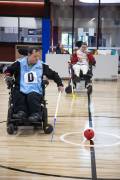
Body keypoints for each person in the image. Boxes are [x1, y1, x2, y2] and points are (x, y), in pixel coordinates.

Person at [5, 48, 64, 122]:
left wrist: (60, 84)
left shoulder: (42, 65)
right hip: (21, 87)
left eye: (38, 57)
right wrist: (8, 76)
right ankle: (21, 112)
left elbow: (54, 74)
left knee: (32, 96)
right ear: (29, 55)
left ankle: (36, 114)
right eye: (35, 56)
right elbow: (8, 70)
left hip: (35, 89)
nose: (37, 59)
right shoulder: (19, 63)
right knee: (18, 94)